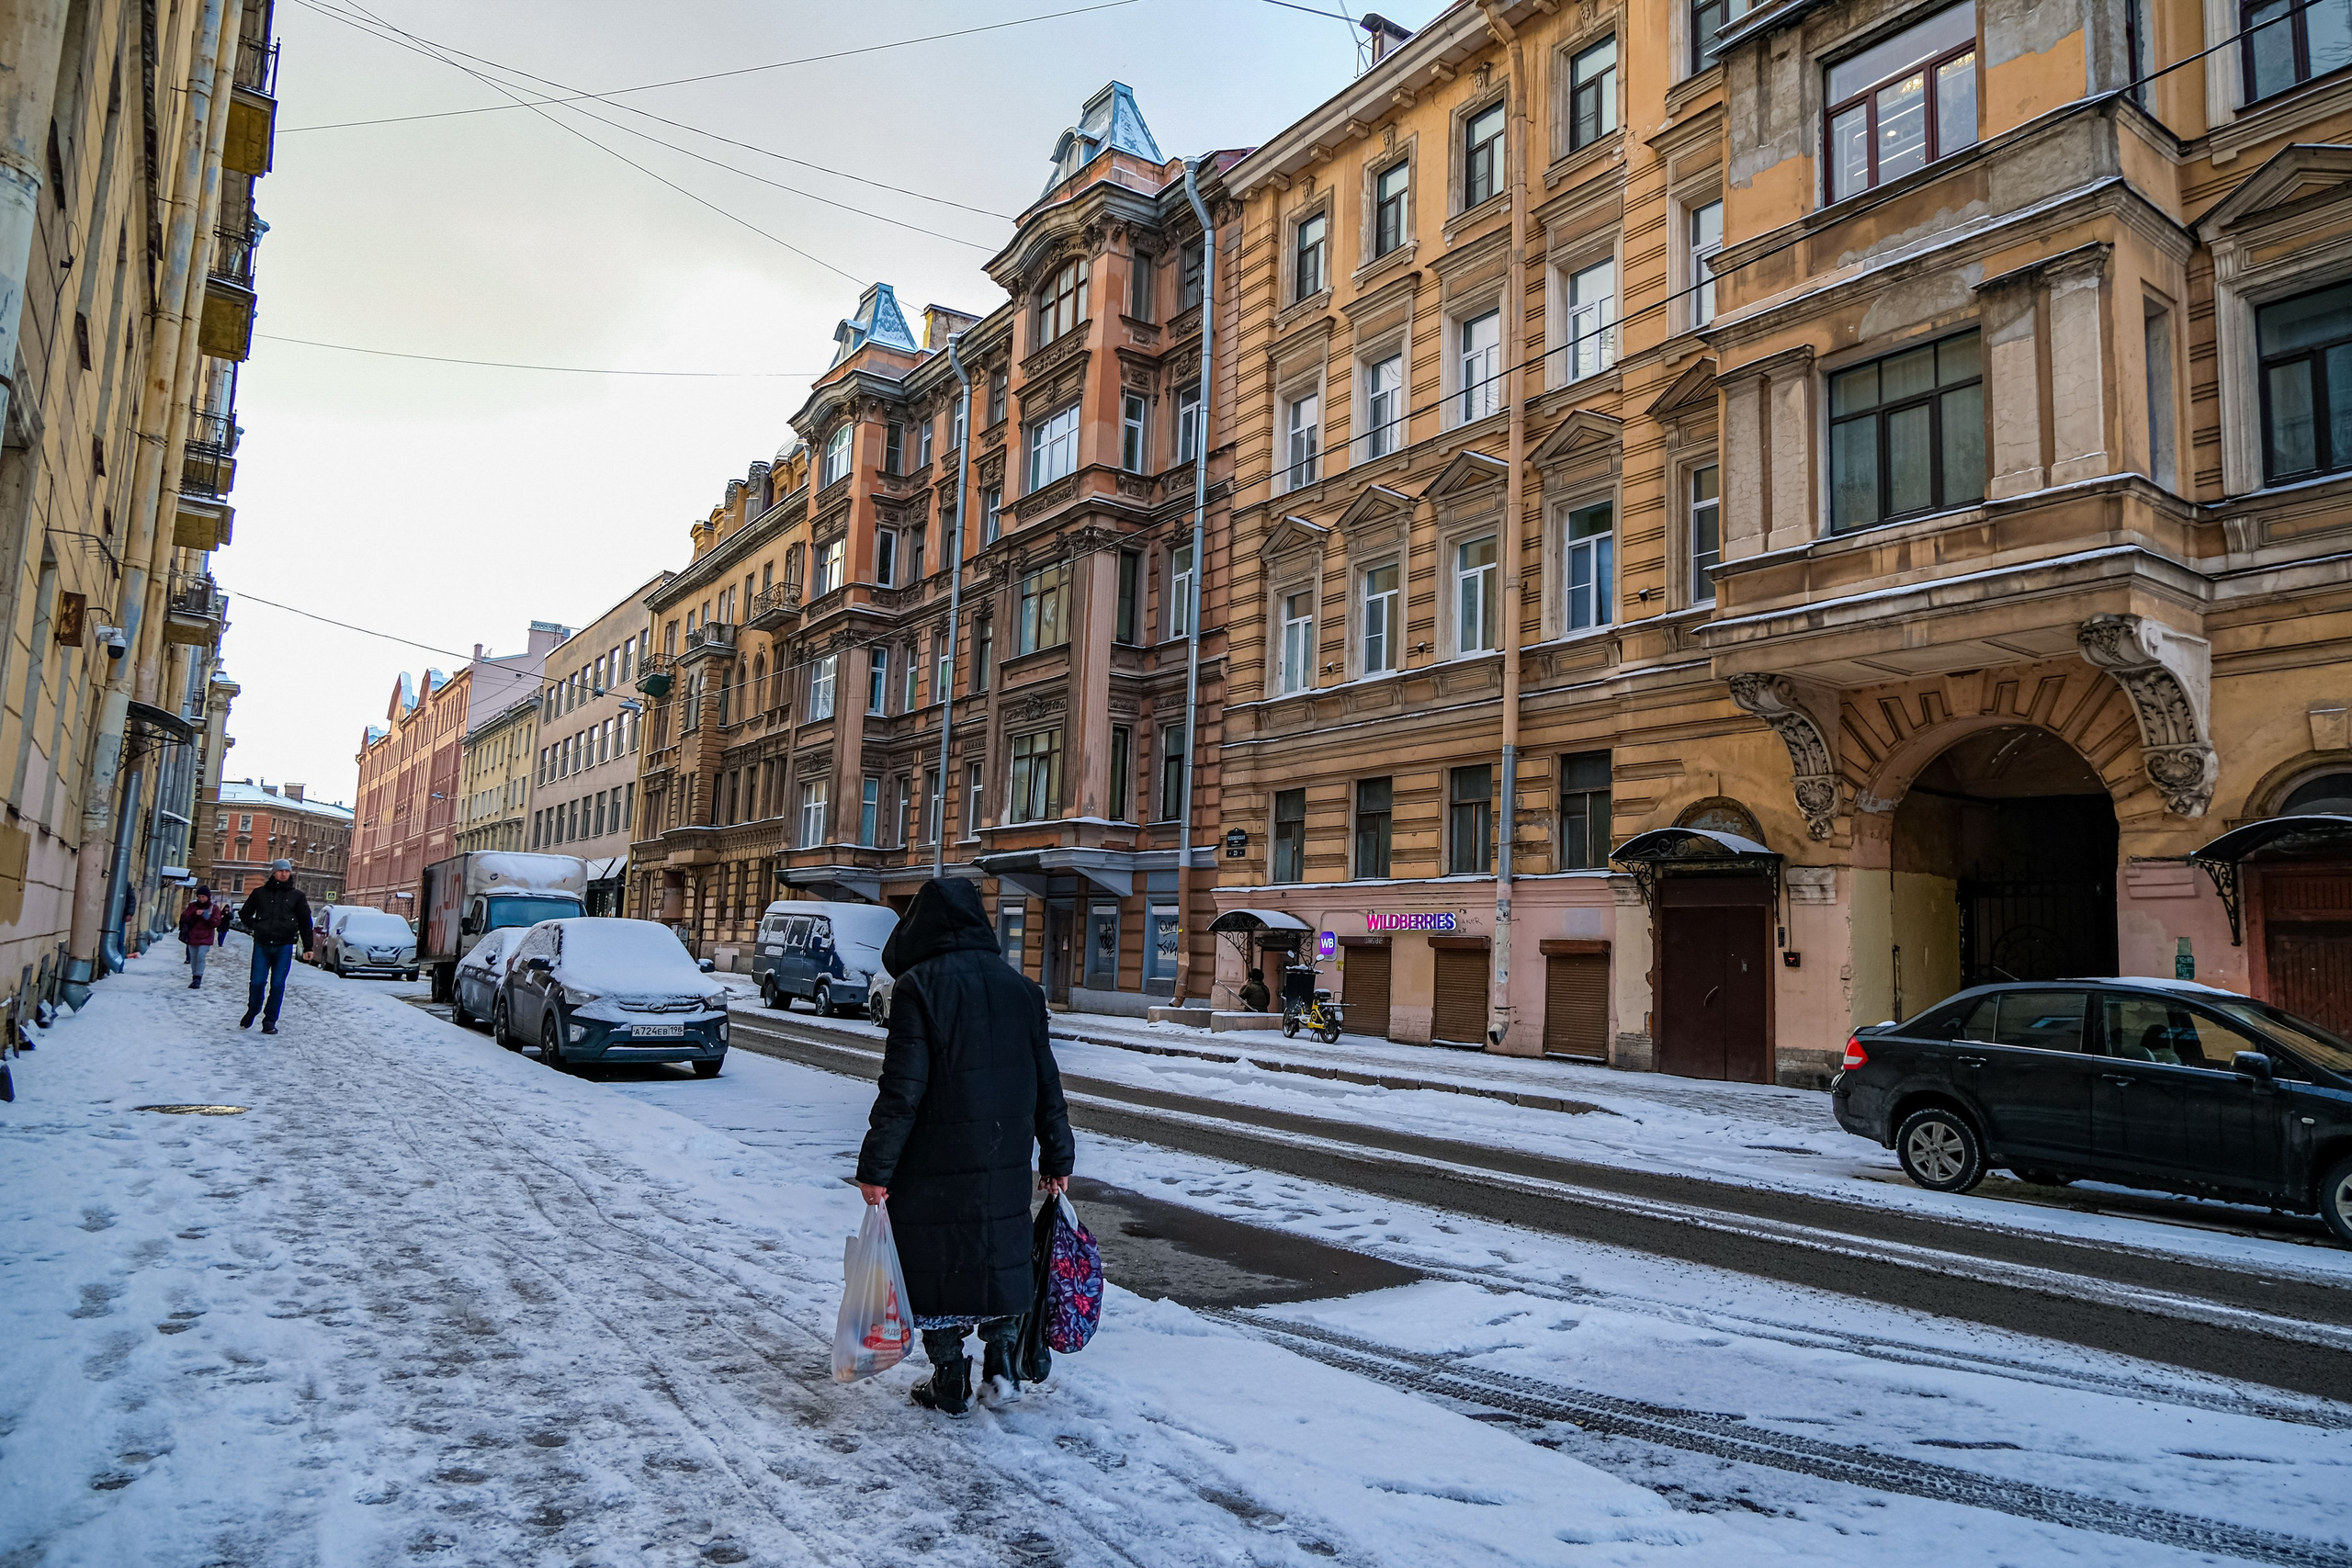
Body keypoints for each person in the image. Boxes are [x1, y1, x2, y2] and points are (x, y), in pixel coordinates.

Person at [856, 878, 1074, 1416]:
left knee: (938, 1259)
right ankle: (1001, 1364)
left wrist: (876, 1168)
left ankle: (949, 1375)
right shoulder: (1022, 990)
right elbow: (1047, 1081)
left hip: (932, 1158)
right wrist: (1057, 1156)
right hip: (1004, 1154)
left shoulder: (918, 988)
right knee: (999, 1252)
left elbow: (902, 1089)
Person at [236, 860, 313, 1034]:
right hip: (262, 945)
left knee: (278, 985)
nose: (284, 874)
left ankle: (270, 1020)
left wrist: (308, 947)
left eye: (287, 871)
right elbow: (244, 913)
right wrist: (256, 926)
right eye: (280, 871)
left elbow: (305, 923)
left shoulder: (297, 896)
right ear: (273, 873)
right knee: (257, 982)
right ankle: (253, 1010)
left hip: (283, 947)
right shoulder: (260, 893)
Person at [176, 886, 229, 988]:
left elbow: (216, 923)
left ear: (208, 897)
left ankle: (198, 978)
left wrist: (206, 916)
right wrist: (194, 914)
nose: (201, 899)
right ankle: (194, 976)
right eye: (199, 896)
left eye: (203, 897)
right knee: (194, 958)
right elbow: (184, 917)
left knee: (200, 956)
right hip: (193, 936)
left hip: (206, 937)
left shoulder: (214, 908)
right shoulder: (192, 906)